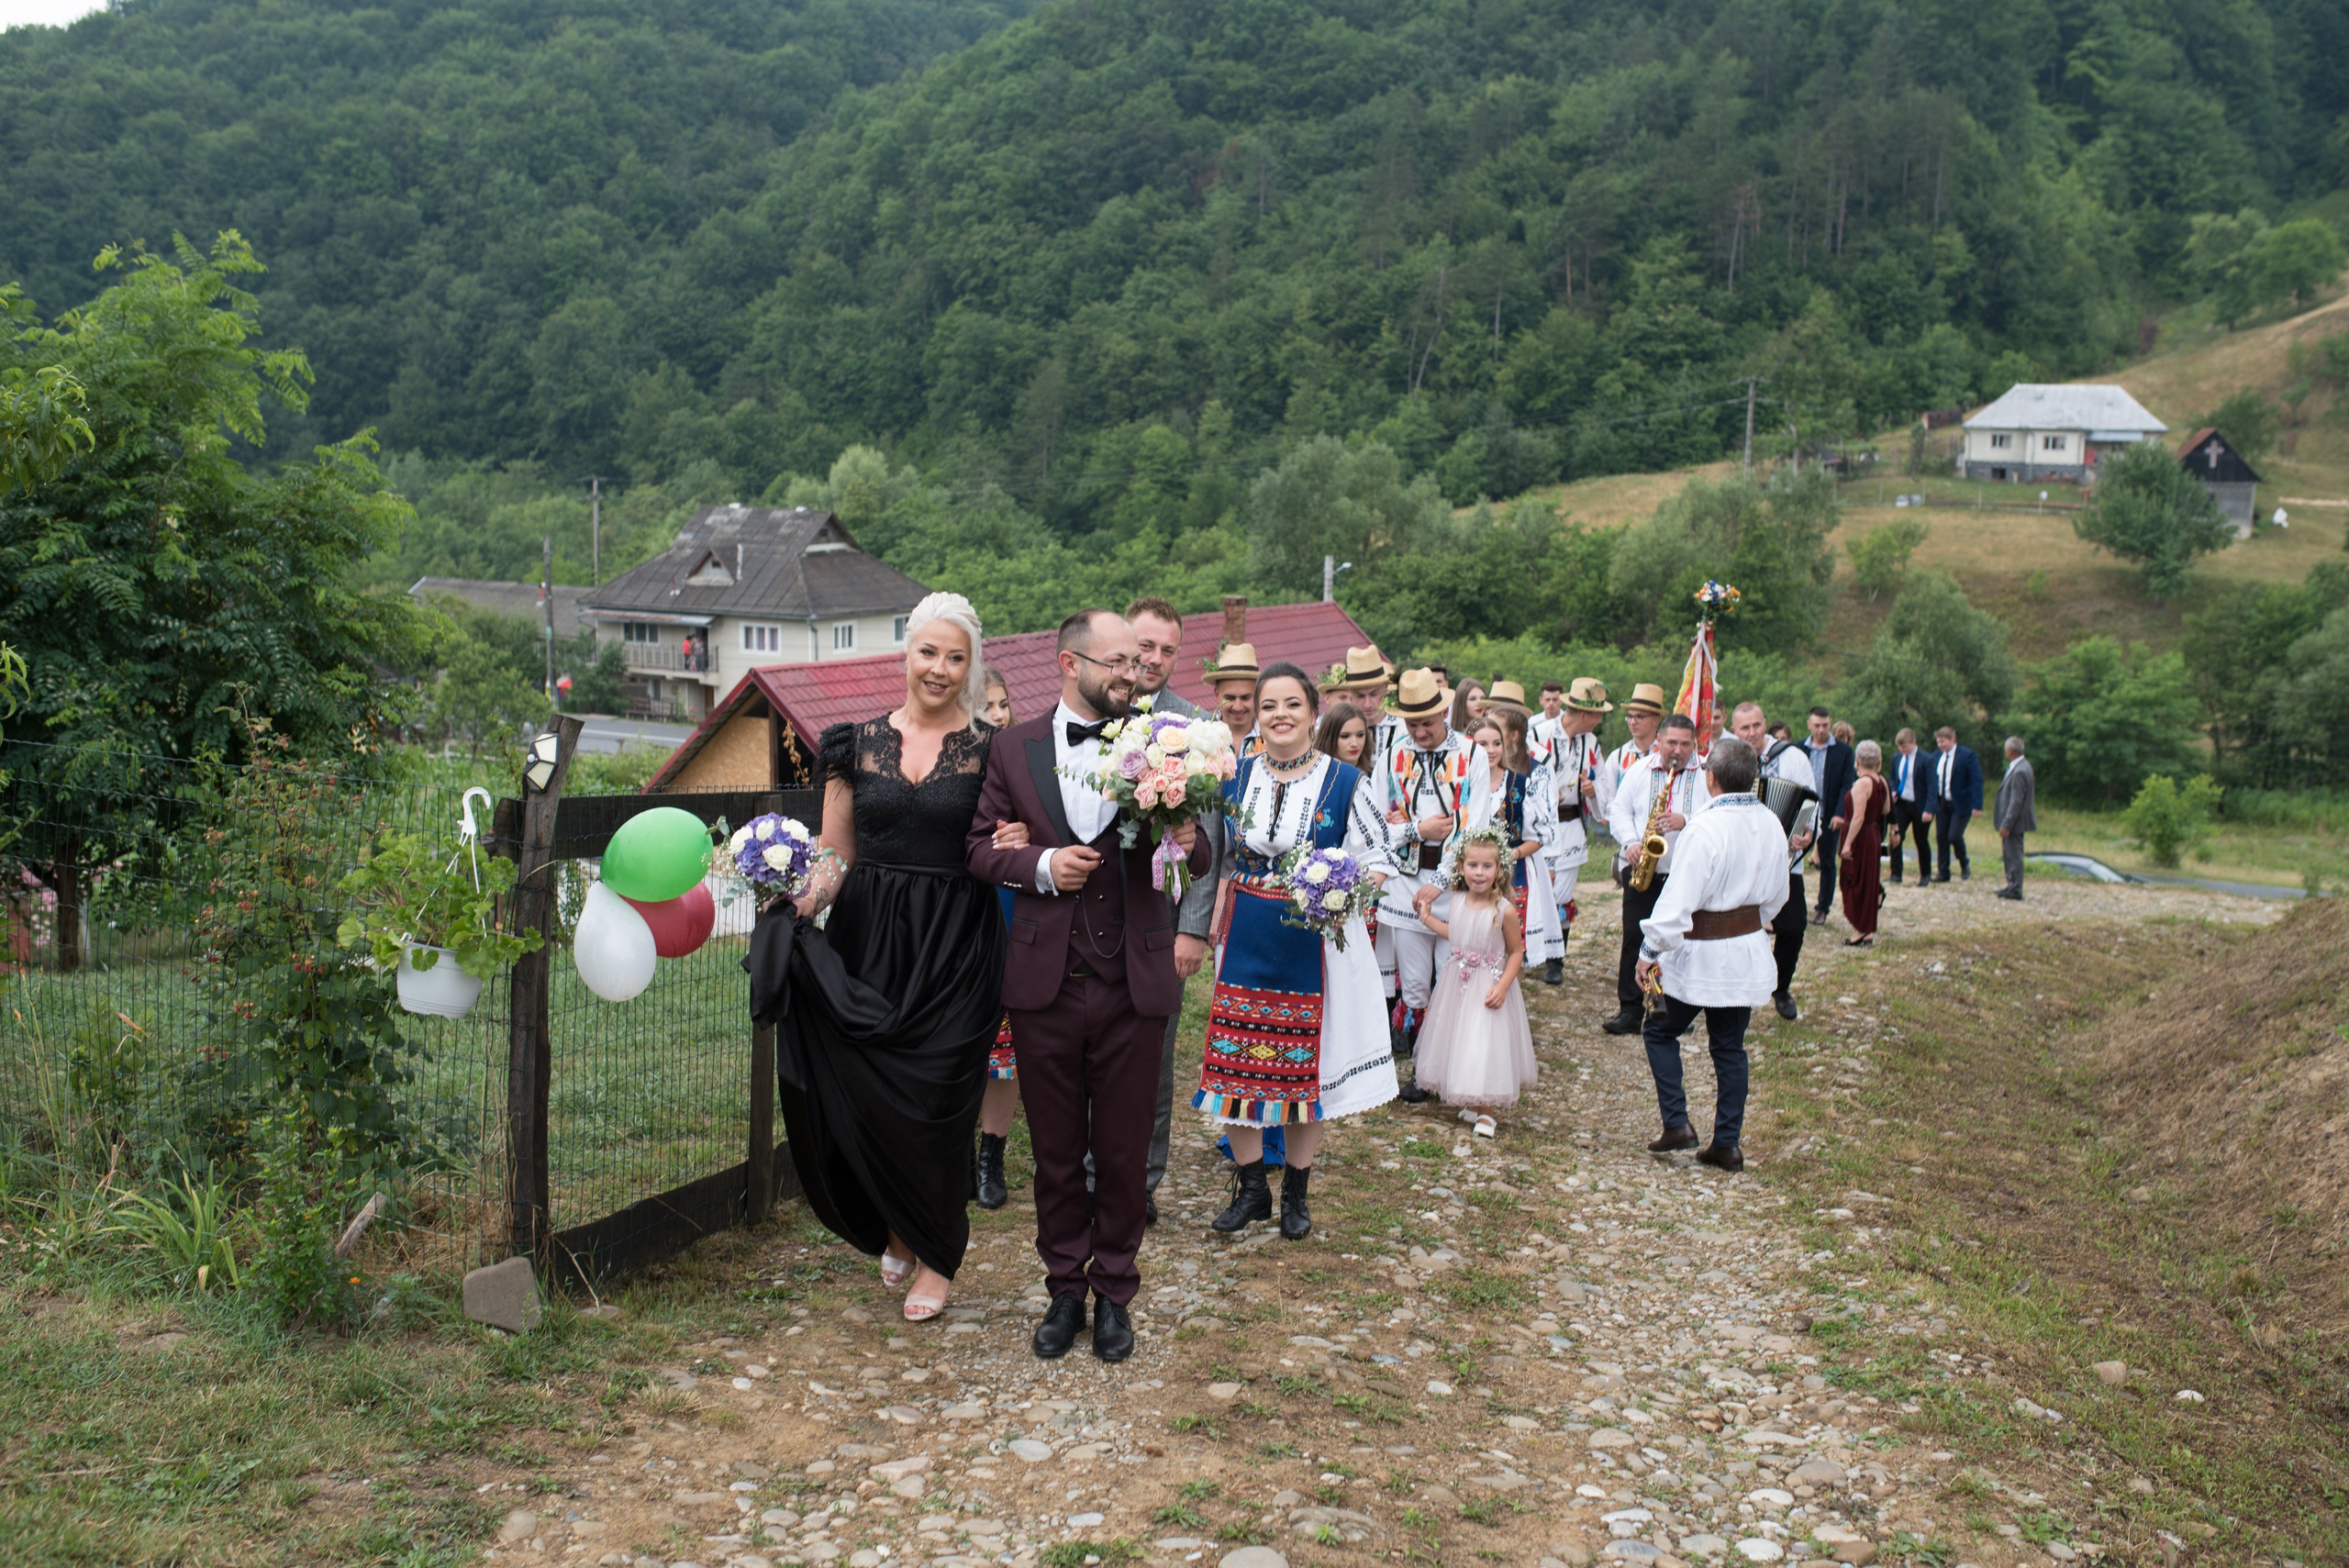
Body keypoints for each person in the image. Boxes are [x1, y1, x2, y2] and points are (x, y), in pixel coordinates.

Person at [748, 593, 1005, 1323]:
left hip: (957, 939)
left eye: (955, 657)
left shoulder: (994, 750)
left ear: (970, 664)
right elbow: (836, 852)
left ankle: (938, 1254)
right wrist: (802, 901)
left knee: (941, 1094)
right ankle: (898, 1224)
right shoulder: (851, 743)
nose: (940, 669)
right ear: (906, 653)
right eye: (929, 652)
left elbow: (997, 838)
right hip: (870, 936)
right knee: (878, 1092)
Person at [965, 609, 1209, 1362]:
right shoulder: (1013, 746)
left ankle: (1116, 1294)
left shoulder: (1165, 742)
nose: (1133, 675)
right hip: (1045, 981)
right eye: (1118, 662)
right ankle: (1064, 1287)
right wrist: (1040, 866)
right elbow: (977, 848)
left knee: (1125, 1147)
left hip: (1134, 977)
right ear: (1071, 663)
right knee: (1059, 1150)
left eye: (1138, 664)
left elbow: (1198, 861)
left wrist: (1189, 841)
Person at [1200, 662, 1397, 1239]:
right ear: (1255, 716)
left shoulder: (1344, 782)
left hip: (1311, 940)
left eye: (1292, 704)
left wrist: (1342, 893)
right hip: (1246, 933)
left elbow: (1379, 859)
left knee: (1303, 1070)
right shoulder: (1233, 777)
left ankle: (1296, 1195)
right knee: (1234, 1066)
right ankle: (1253, 1187)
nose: (1279, 715)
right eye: (1269, 706)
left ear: (1314, 712)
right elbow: (1220, 855)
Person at [1635, 735, 1789, 1173]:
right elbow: (1777, 897)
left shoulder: (1704, 827)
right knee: (1729, 1047)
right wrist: (1748, 924)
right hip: (1744, 951)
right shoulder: (1771, 822)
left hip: (1700, 952)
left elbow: (1677, 902)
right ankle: (1727, 1143)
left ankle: (1678, 1124)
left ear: (1711, 777)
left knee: (1660, 1031)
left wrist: (1648, 952)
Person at [1120, 595, 1219, 1226]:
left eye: (1165, 650)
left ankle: (1143, 1180)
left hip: (1161, 920)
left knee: (1153, 1062)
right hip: (1091, 915)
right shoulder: (1089, 714)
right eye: (1143, 647)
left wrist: (1193, 930)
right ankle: (1090, 1175)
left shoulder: (1194, 727)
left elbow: (1209, 836)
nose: (1153, 660)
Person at [1373, 668, 1473, 1099]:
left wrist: (1443, 878)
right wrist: (1416, 828)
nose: (1419, 731)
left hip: (1459, 884)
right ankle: (1422, 1070)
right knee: (1414, 982)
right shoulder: (1393, 754)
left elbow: (1473, 823)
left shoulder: (1471, 754)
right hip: (1404, 882)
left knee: (1457, 974)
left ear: (1444, 712)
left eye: (1427, 722)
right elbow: (1377, 824)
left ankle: (1458, 1068)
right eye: (1412, 723)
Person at [1409, 828, 1536, 1140]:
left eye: (1487, 866)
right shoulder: (1458, 899)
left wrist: (1503, 986)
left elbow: (1517, 952)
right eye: (1473, 866)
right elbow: (1456, 933)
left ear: (1500, 869)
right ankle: (1471, 1098)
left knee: (1483, 1044)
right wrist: (1426, 918)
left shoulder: (1504, 910)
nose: (1479, 873)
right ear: (1462, 868)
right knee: (1459, 1040)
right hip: (1457, 980)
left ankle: (1487, 1112)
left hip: (1487, 984)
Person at [1600, 714, 1701, 1036]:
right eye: (1672, 742)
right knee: (1634, 936)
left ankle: (1676, 1011)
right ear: (1659, 740)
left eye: (1686, 744)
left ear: (1694, 744)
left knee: (1680, 943)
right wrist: (1630, 841)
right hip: (1644, 868)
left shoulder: (1705, 774)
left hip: (1685, 873)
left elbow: (1716, 813)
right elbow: (1618, 810)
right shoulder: (1639, 770)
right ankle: (1630, 1009)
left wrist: (1685, 820)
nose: (1678, 750)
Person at [1727, 702, 1817, 1021]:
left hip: (1784, 860)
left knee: (1793, 927)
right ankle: (1733, 994)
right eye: (1744, 728)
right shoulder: (1728, 757)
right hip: (1740, 861)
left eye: (1756, 726)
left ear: (1765, 724)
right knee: (1733, 926)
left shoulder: (1792, 757)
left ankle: (1780, 988)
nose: (1751, 733)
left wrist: (1807, 835)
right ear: (1733, 730)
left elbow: (1810, 803)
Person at [1464, 710, 1564, 967]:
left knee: (1510, 949)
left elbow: (1542, 834)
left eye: (1496, 743)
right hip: (1469, 877)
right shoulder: (1461, 783)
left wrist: (1513, 854)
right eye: (1482, 744)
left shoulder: (1519, 784)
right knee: (1473, 946)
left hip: (1514, 875)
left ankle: (1508, 1000)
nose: (1491, 750)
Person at [1528, 676, 1611, 984]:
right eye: (1598, 713)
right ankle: (1532, 947)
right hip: (1541, 826)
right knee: (1539, 890)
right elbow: (1524, 772)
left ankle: (1556, 959)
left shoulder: (1591, 743)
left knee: (1563, 893)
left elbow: (1603, 781)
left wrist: (1592, 790)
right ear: (1584, 714)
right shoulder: (1539, 733)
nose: (1600, 720)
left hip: (1572, 823)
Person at [974, 671, 1021, 1210]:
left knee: (1005, 1046)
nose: (1000, 714)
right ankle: (954, 1152)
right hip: (956, 909)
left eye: (1004, 704)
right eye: (988, 706)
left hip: (1009, 906)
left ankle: (992, 1154)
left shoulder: (1017, 763)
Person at [1805, 708, 1856, 926]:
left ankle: (1822, 908)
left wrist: (1839, 813)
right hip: (1805, 812)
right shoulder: (1799, 748)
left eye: (1825, 725)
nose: (1821, 729)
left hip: (1829, 813)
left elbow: (1847, 783)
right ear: (1809, 724)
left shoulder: (1843, 751)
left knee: (1827, 861)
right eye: (1817, 725)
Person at [1839, 740, 1887, 946]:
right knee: (1868, 880)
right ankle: (1866, 930)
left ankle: (1861, 930)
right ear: (1878, 761)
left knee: (1854, 881)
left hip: (1860, 836)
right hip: (1874, 833)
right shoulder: (1881, 781)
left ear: (1857, 760)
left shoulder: (1862, 784)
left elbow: (1858, 817)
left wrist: (1847, 844)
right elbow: (1886, 810)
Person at [1597, 683, 1667, 817]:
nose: (1632, 722)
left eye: (1640, 717)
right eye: (1629, 716)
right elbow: (1607, 800)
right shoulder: (1617, 756)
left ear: (1655, 720)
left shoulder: (1667, 753)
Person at [1925, 726, 1984, 882]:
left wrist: (1977, 805)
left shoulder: (1967, 755)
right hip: (1942, 803)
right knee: (1941, 837)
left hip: (1961, 803)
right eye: (1938, 742)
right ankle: (1943, 873)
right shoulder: (1936, 757)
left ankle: (1964, 862)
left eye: (1943, 741)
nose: (1940, 745)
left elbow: (1977, 780)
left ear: (1952, 740)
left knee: (1954, 836)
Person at [1887, 728, 1932, 885]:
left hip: (1920, 806)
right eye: (1900, 747)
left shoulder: (1926, 759)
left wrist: (1929, 810)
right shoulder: (1897, 758)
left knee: (1921, 839)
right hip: (1902, 804)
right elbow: (1892, 778)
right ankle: (1896, 873)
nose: (1902, 750)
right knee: (1896, 836)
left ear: (1913, 743)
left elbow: (1932, 787)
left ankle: (1925, 875)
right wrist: (1893, 790)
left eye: (1905, 747)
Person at [1995, 737, 2036, 901]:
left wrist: (2007, 823)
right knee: (2011, 852)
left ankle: (2015, 887)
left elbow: (2016, 801)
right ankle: (2012, 884)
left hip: (2015, 822)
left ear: (2010, 751)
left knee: (2014, 854)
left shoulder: (2019, 771)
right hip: (2015, 821)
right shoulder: (2023, 766)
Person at [1206, 641, 1262, 744]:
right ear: (1217, 695)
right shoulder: (1202, 737)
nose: (1238, 707)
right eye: (1230, 698)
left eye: (1245, 698)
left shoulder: (1271, 737)